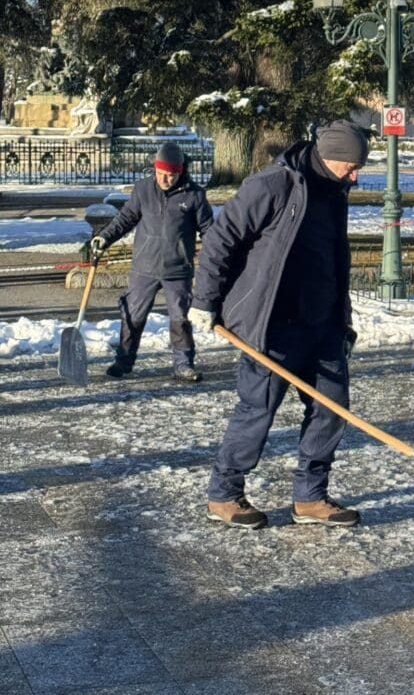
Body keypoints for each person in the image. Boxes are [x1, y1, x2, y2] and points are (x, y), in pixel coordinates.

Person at [188, 119, 369, 531]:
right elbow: (220, 240)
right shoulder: (272, 184)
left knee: (332, 409)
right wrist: (204, 301)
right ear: (330, 156)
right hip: (272, 325)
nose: (357, 175)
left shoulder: (335, 189)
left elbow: (334, 261)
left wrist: (343, 322)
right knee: (257, 411)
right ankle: (224, 493)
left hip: (322, 323)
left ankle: (310, 497)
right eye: (352, 166)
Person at [91, 141, 214, 382]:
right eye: (160, 174)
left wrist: (214, 259)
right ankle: (124, 361)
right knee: (132, 317)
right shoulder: (143, 190)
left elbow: (209, 230)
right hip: (144, 268)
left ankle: (183, 364)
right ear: (154, 169)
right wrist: (104, 237)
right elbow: (126, 218)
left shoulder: (195, 195)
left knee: (180, 318)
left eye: (170, 175)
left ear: (180, 172)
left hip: (178, 270)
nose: (165, 179)